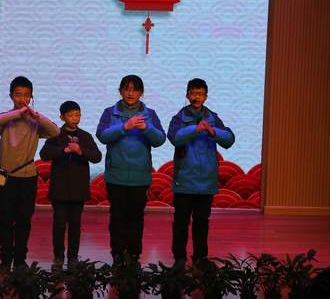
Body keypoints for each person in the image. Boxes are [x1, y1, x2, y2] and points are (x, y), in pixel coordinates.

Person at [0, 75, 60, 272]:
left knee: (24, 220)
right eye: (18, 95)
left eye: (26, 95)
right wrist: (18, 113)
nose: (22, 99)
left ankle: (20, 259)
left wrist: (35, 116)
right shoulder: (6, 119)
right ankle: (5, 260)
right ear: (11, 96)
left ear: (31, 97)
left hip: (28, 177)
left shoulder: (35, 122)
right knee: (5, 220)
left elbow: (55, 132)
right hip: (5, 176)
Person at [96, 74, 165, 264]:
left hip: (139, 175)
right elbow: (102, 136)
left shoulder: (150, 114)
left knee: (136, 217)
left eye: (134, 89)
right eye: (126, 89)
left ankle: (134, 253)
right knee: (117, 216)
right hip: (116, 174)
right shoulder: (109, 112)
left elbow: (160, 140)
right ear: (120, 91)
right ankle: (117, 252)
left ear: (141, 93)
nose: (130, 93)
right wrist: (124, 126)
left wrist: (146, 128)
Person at [167, 78, 235, 267]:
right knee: (180, 223)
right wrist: (195, 129)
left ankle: (200, 258)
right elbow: (174, 138)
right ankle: (179, 258)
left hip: (206, 181)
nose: (197, 97)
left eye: (200, 94)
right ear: (187, 95)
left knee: (202, 223)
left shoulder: (213, 117)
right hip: (184, 180)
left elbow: (229, 139)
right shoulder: (179, 118)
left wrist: (213, 132)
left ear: (206, 96)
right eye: (193, 93)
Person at [39, 100, 102, 271]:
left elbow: (97, 156)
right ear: (62, 117)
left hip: (78, 189)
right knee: (59, 224)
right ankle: (58, 257)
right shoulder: (55, 135)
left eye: (77, 115)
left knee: (75, 224)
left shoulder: (85, 136)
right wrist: (64, 150)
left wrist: (80, 151)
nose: (75, 118)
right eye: (71, 115)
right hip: (59, 188)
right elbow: (44, 154)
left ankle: (73, 257)